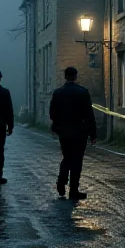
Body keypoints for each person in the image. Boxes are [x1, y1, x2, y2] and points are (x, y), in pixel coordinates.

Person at [49, 66, 97, 201]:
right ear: (75, 76)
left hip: (64, 131)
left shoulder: (57, 93)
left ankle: (61, 180)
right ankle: (74, 190)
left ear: (65, 76)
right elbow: (89, 115)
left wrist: (57, 126)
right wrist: (93, 134)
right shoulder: (82, 92)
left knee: (67, 156)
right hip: (79, 131)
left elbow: (52, 112)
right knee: (77, 160)